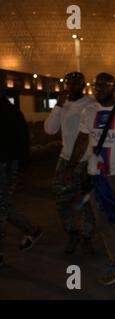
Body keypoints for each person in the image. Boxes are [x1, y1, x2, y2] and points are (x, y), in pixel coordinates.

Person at [65, 73, 115, 292]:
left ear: (114, 87)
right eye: (96, 85)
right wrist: (70, 166)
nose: (99, 88)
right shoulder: (88, 112)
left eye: (104, 85)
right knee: (102, 223)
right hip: (97, 176)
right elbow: (82, 139)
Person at [44, 72, 95, 255]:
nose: (72, 86)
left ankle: (88, 236)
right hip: (65, 158)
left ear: (82, 85)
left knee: (88, 201)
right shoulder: (62, 104)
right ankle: (73, 232)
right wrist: (58, 105)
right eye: (69, 83)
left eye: (76, 83)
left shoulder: (90, 104)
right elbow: (50, 130)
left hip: (86, 160)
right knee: (61, 198)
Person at [0, 91, 42, 267]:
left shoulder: (9, 112)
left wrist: (21, 170)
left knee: (2, 208)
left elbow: (23, 143)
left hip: (6, 166)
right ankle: (32, 230)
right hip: (8, 165)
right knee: (5, 207)